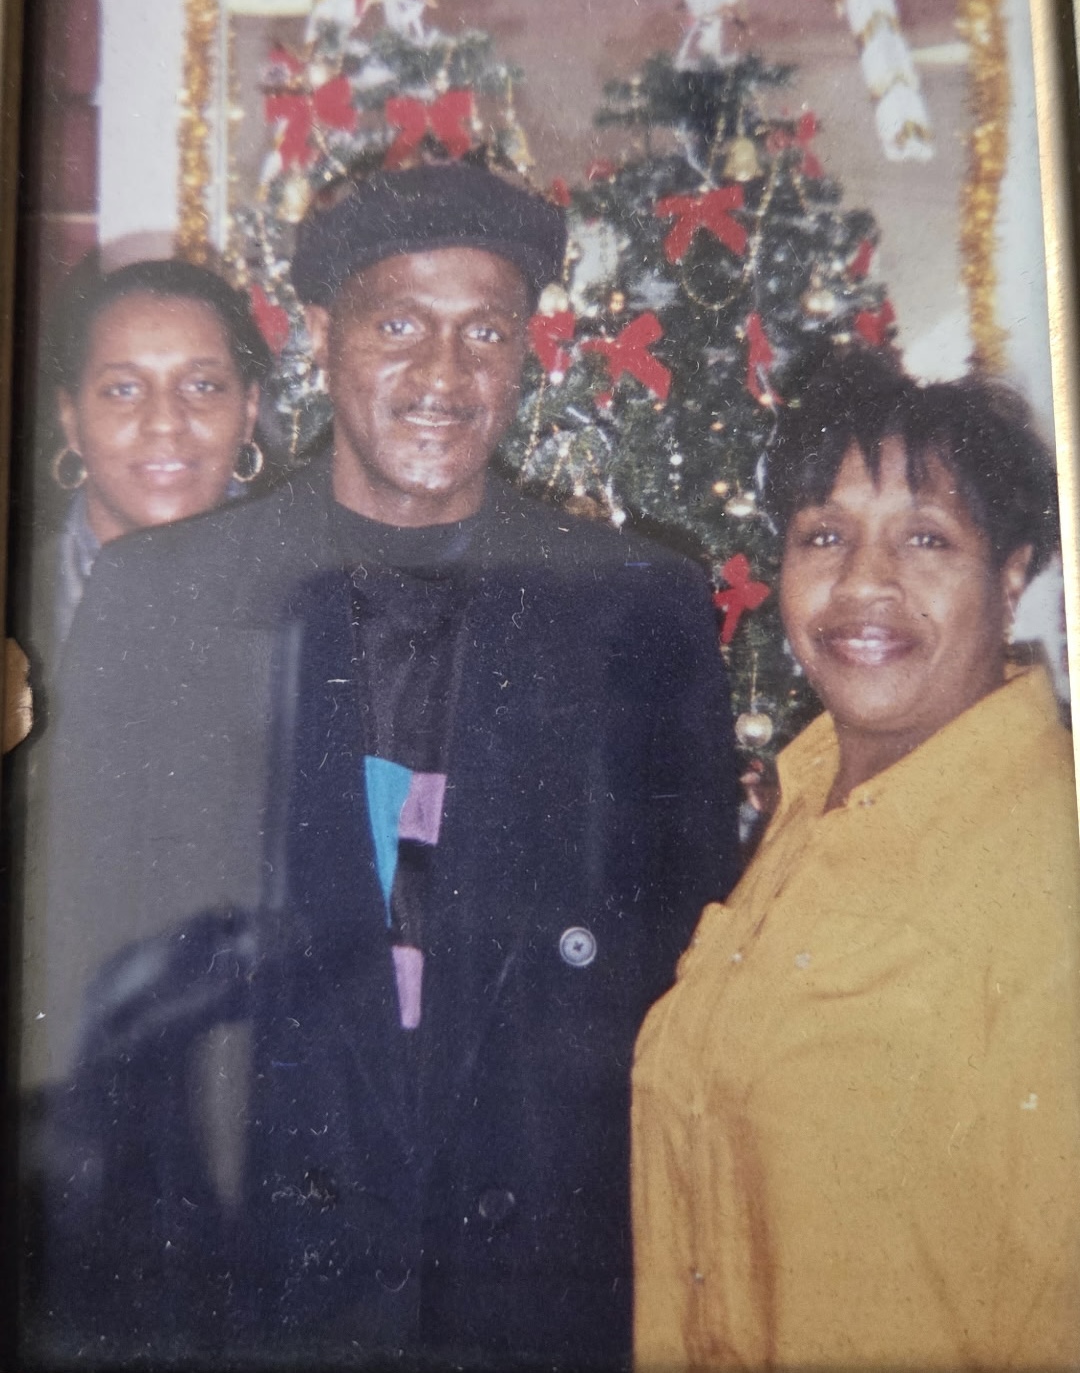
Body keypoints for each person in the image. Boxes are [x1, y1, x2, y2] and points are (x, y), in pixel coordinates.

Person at [28, 163, 739, 1371]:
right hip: (242, 1295)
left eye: (485, 332)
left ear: (527, 353)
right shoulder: (165, 603)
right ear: (319, 336)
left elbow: (680, 998)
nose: (443, 375)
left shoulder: (640, 609)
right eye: (400, 324)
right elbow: (85, 999)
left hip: (527, 1303)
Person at [631, 346, 1080, 1371]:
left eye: (926, 539)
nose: (862, 583)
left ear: (1010, 574)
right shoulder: (801, 804)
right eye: (823, 535)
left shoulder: (1048, 860)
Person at [42, 256, 271, 652]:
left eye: (202, 386)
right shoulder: (23, 599)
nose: (165, 422)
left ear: (248, 411)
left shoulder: (321, 598)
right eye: (123, 390)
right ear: (71, 419)